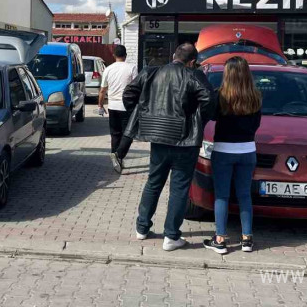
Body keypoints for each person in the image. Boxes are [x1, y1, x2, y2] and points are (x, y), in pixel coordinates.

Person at [123, 43, 214, 251]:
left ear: (174, 55)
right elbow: (209, 99)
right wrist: (197, 121)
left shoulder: (151, 72)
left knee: (153, 182)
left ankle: (142, 228)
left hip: (158, 136)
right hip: (185, 140)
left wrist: (144, 115)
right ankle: (171, 236)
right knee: (179, 188)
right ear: (192, 62)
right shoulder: (194, 75)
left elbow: (128, 95)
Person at [203, 56, 261, 255]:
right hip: (247, 150)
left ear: (227, 74)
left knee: (222, 195)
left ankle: (220, 239)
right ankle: (247, 238)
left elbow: (210, 116)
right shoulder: (256, 96)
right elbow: (257, 125)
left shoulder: (221, 95)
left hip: (224, 150)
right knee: (244, 195)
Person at [98, 45, 139, 174]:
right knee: (128, 133)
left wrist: (100, 105)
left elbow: (103, 90)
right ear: (125, 55)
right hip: (127, 106)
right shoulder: (132, 67)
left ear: (114, 55)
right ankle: (119, 156)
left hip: (112, 106)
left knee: (115, 134)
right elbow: (136, 87)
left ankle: (117, 159)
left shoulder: (108, 69)